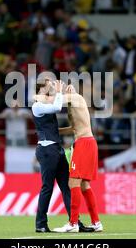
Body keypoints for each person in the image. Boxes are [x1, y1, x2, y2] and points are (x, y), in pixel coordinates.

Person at [31, 79, 92, 233]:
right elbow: (58, 107)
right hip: (47, 150)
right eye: (48, 86)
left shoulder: (45, 103)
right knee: (47, 187)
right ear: (41, 89)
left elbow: (57, 103)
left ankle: (75, 222)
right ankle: (40, 224)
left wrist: (68, 92)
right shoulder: (37, 106)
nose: (51, 88)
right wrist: (59, 92)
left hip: (56, 149)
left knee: (67, 187)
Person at [51, 83, 103, 233]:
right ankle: (96, 222)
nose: (69, 88)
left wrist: (58, 91)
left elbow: (56, 102)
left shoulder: (77, 98)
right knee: (84, 185)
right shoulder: (73, 106)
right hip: (87, 142)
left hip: (84, 143)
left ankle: (73, 223)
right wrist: (54, 131)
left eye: (70, 87)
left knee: (73, 181)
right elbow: (74, 128)